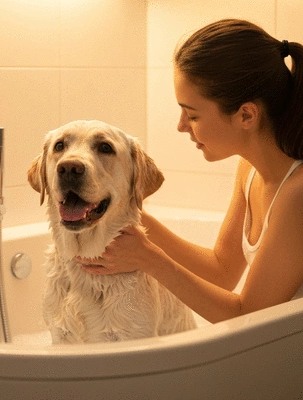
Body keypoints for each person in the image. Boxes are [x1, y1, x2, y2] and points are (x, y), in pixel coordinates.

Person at [79, 19, 303, 324]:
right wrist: (127, 212)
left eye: (192, 114)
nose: (181, 126)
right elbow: (222, 270)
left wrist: (149, 258)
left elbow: (247, 318)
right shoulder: (249, 169)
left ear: (246, 115)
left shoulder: (297, 193)